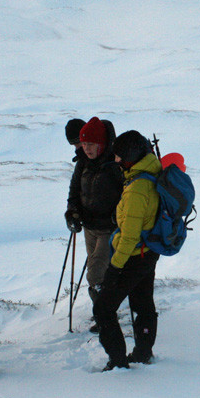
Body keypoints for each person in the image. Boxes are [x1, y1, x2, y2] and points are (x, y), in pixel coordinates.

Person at [93, 130, 161, 371]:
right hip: (148, 252)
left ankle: (118, 361)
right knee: (142, 303)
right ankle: (143, 352)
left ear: (132, 156)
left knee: (103, 308)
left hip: (133, 256)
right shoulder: (150, 171)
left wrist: (114, 268)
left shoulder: (137, 189)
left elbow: (129, 236)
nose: (117, 161)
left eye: (120, 157)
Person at [64, 117, 123, 332]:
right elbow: (74, 191)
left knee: (96, 273)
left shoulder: (115, 164)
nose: (86, 148)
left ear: (101, 143)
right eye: (84, 144)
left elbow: (127, 195)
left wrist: (118, 219)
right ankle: (102, 313)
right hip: (89, 227)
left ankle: (105, 315)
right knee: (97, 272)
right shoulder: (83, 162)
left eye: (91, 144)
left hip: (110, 228)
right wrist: (72, 212)